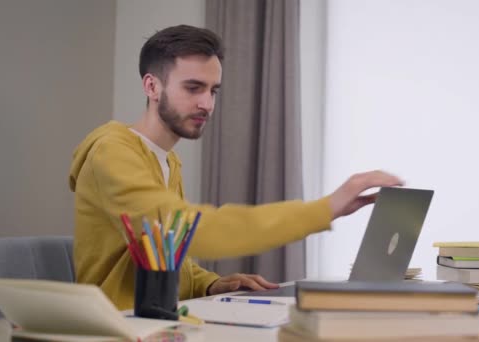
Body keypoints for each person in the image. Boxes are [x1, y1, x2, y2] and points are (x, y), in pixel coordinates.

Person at [69, 25, 403, 310]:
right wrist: (323, 209)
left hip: (162, 323)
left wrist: (211, 284)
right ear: (152, 87)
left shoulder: (168, 160)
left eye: (213, 90)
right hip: (117, 328)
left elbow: (169, 252)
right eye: (193, 88)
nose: (207, 103)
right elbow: (194, 231)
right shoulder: (112, 153)